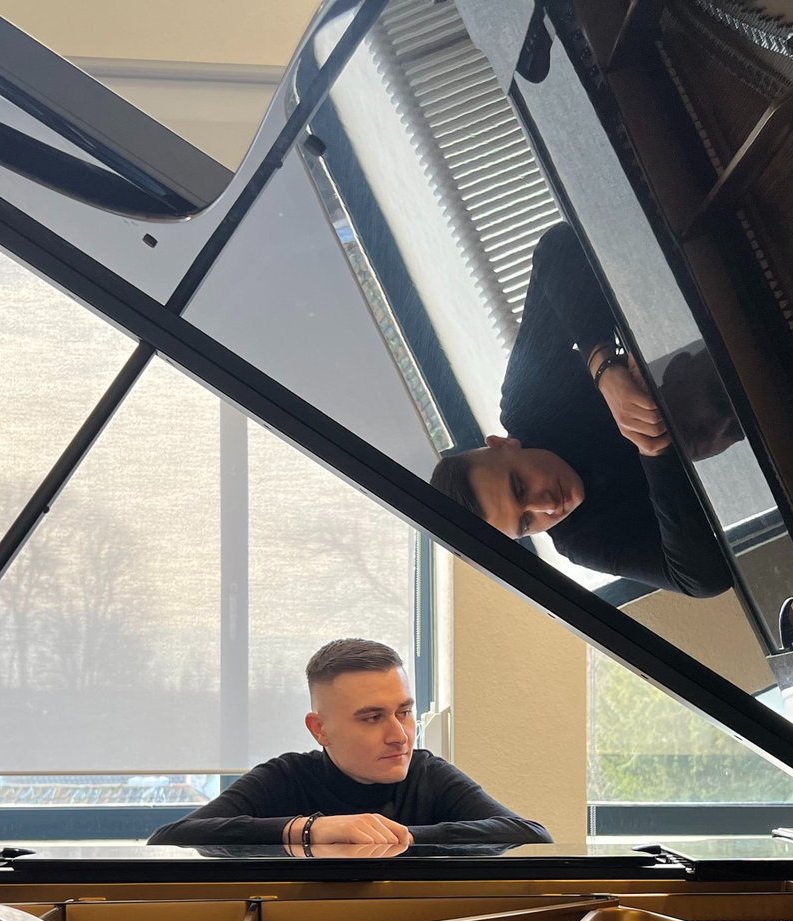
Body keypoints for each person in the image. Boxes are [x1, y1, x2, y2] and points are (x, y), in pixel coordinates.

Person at [429, 222, 734, 598]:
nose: (546, 506)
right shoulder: (582, 540)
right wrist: (655, 452)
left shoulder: (529, 401)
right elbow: (704, 579)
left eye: (520, 486)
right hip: (760, 425)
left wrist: (604, 369)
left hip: (721, 316)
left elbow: (560, 246)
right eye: (526, 523)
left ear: (502, 445)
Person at [146, 638, 552, 851]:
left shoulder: (427, 773)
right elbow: (171, 838)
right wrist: (310, 831)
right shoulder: (286, 776)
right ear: (319, 730)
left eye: (404, 712)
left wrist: (398, 838)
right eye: (373, 718)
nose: (400, 735)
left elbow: (531, 836)